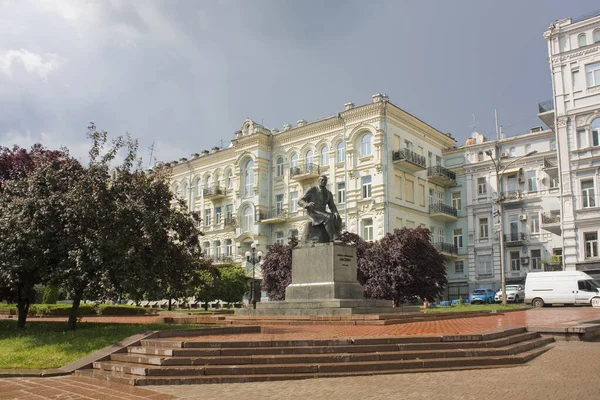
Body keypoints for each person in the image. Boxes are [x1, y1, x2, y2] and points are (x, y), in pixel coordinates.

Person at [298, 175, 342, 243]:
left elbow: (332, 205)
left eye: (325, 180)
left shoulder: (328, 193)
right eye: (322, 180)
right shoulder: (312, 189)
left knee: (337, 218)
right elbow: (300, 201)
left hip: (322, 212)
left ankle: (339, 237)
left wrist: (335, 212)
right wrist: (307, 204)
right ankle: (333, 238)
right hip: (313, 212)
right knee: (328, 218)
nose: (323, 181)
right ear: (318, 181)